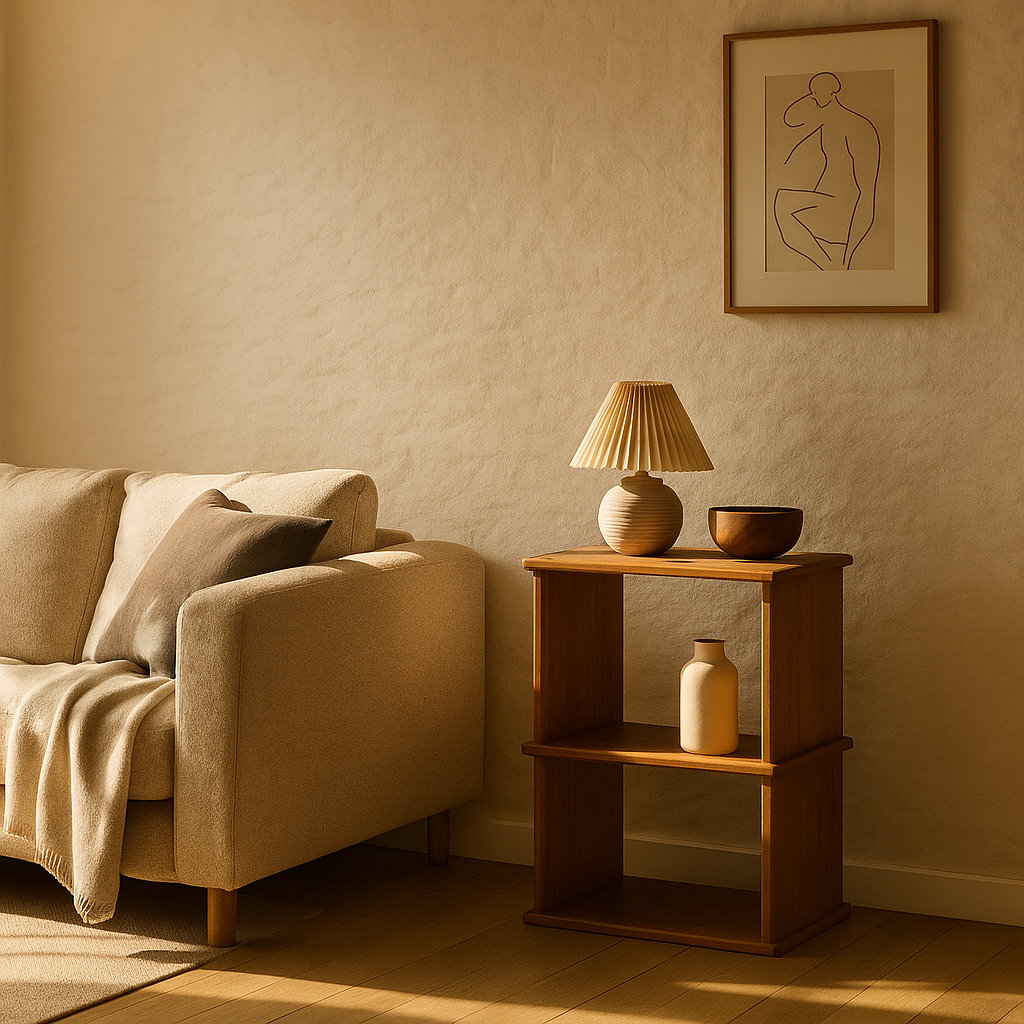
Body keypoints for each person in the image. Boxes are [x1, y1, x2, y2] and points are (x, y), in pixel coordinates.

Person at [773, 72, 880, 271]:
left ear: (832, 92)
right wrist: (814, 96)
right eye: (812, 93)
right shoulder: (826, 120)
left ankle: (832, 266)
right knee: (781, 202)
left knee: (783, 203)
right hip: (826, 200)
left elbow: (867, 192)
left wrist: (850, 251)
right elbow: (790, 118)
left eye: (817, 92)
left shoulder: (858, 127)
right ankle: (828, 266)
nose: (814, 97)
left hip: (843, 206)